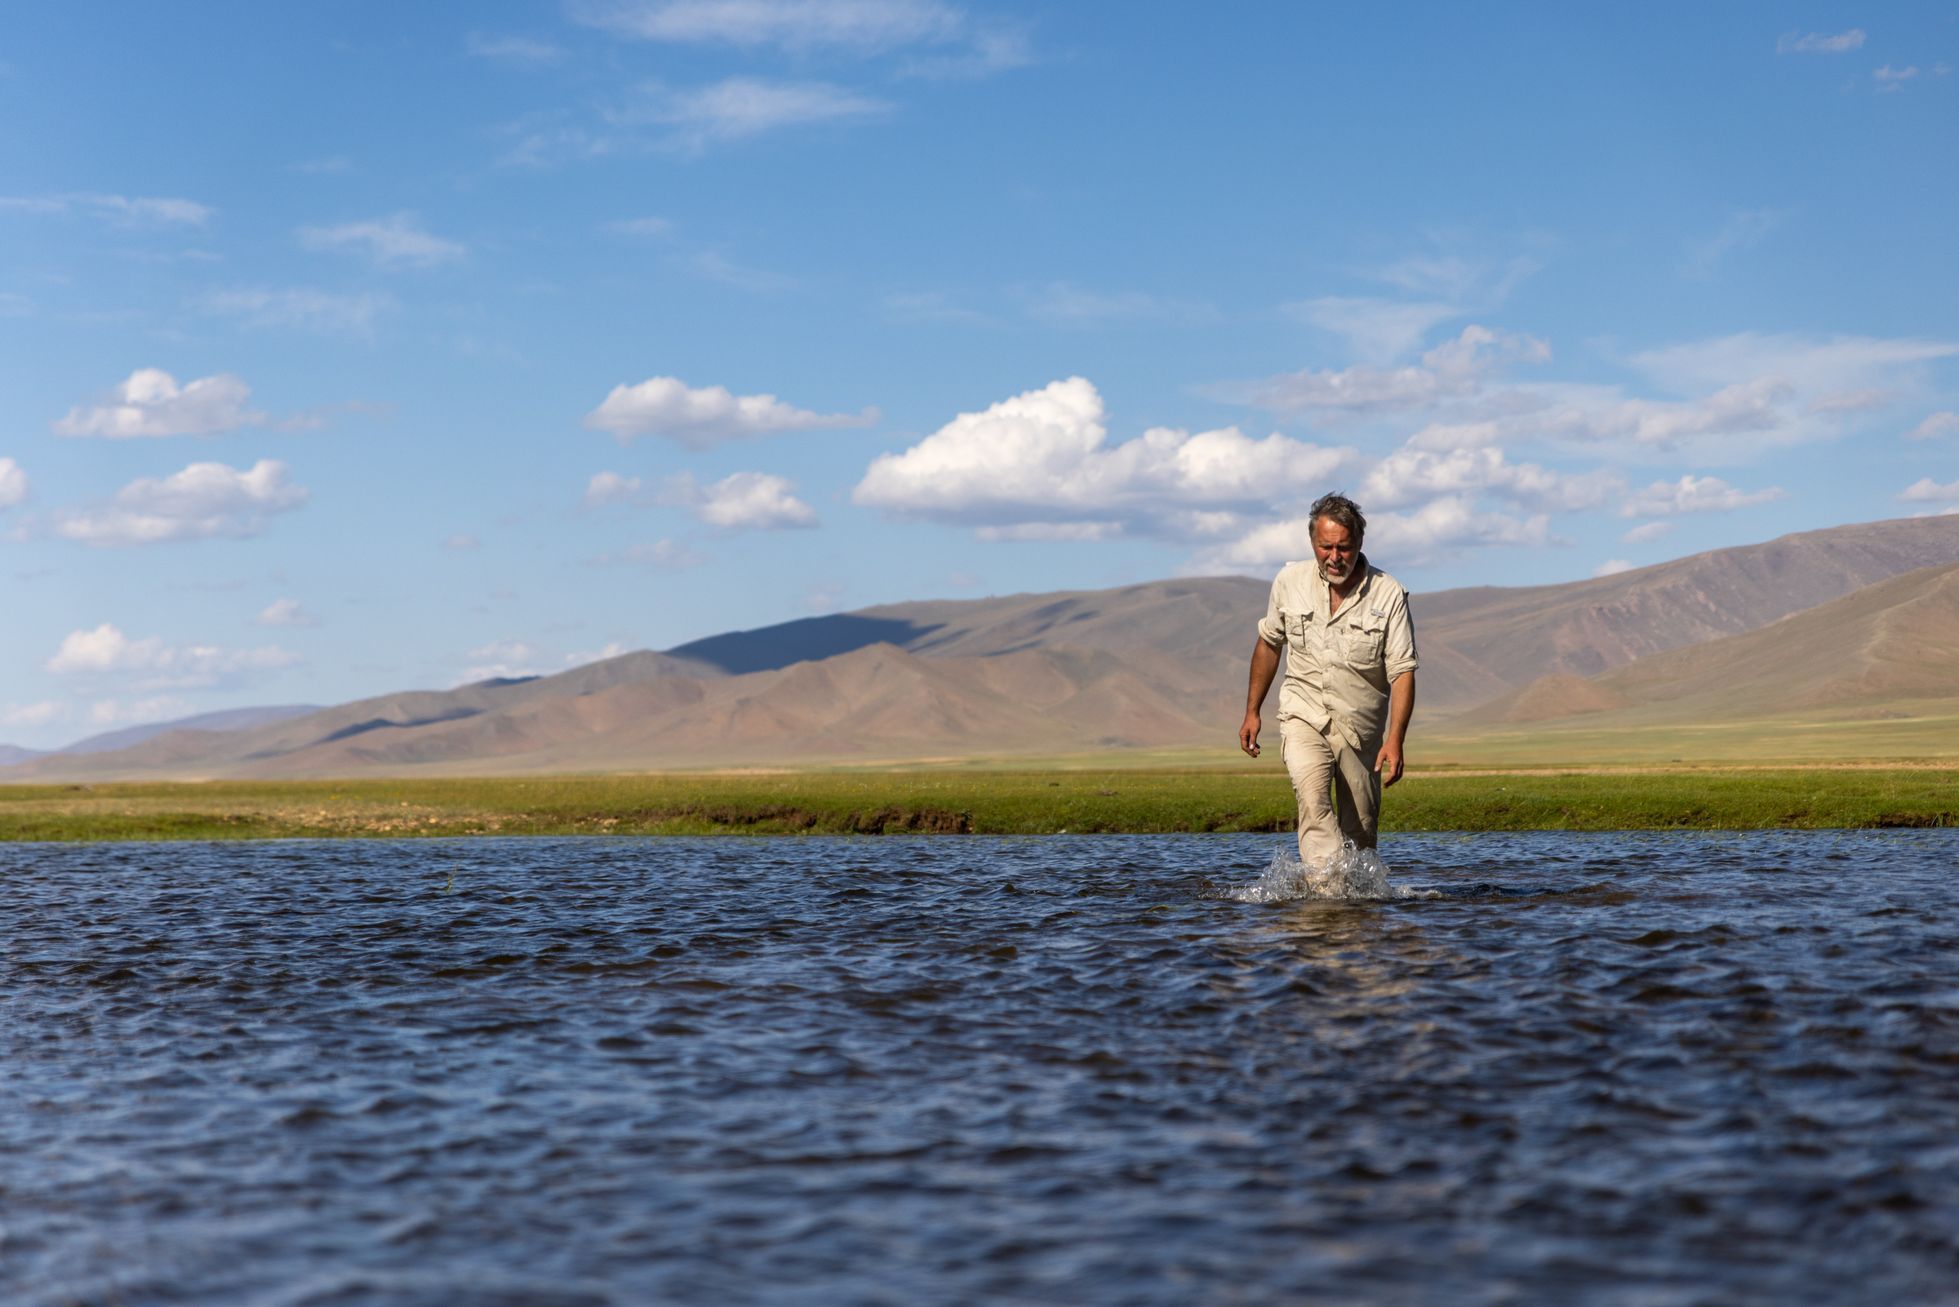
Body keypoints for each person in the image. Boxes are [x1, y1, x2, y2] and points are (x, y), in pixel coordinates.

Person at [1238, 493, 1418, 868]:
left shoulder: (1388, 594)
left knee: (1360, 836)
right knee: (1313, 800)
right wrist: (1252, 711)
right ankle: (1323, 892)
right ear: (1312, 542)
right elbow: (1269, 643)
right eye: (1326, 547)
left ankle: (1357, 898)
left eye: (1344, 547)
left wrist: (1395, 739)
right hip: (1303, 714)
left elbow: (1402, 670)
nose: (1335, 557)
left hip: (1360, 729)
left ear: (1360, 542)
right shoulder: (1289, 582)